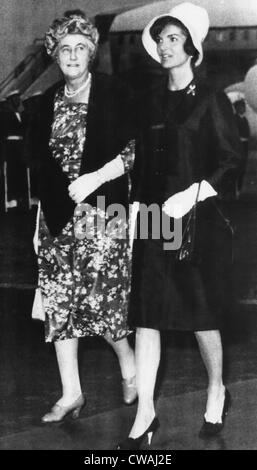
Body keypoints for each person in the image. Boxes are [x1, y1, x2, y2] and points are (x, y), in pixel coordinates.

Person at [117, 2, 241, 449]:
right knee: (148, 314)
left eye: (173, 39)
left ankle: (216, 388)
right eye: (161, 39)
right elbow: (142, 159)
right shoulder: (149, 99)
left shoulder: (211, 98)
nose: (165, 46)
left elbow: (231, 160)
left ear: (191, 46)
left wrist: (194, 193)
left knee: (199, 313)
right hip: (152, 219)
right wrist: (135, 208)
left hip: (195, 219)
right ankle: (146, 412)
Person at [27, 12, 137, 423]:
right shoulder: (41, 105)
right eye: (64, 49)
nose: (72, 55)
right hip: (56, 219)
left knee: (103, 305)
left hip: (104, 215)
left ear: (91, 53)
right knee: (60, 305)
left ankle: (129, 365)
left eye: (80, 48)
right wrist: (39, 224)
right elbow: (41, 170)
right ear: (55, 55)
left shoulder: (115, 93)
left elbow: (136, 151)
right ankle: (71, 392)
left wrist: (95, 178)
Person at [233, 99, 250, 198]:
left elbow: (247, 134)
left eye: (244, 107)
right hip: (237, 147)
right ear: (236, 108)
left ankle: (238, 191)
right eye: (241, 107)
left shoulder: (244, 119)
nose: (243, 109)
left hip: (244, 146)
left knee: (242, 169)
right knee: (237, 169)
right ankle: (235, 191)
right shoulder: (234, 119)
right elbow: (234, 134)